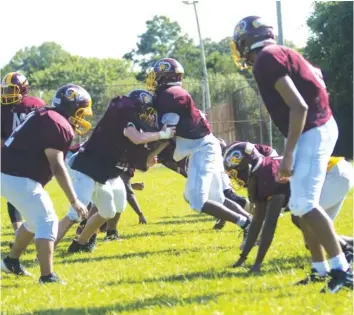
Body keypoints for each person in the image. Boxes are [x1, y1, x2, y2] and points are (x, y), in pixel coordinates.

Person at [231, 15, 351, 293]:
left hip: (312, 129)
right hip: (318, 127)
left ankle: (342, 270)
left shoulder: (265, 59)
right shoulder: (281, 52)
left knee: (304, 204)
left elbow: (299, 106)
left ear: (247, 41)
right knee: (299, 204)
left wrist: (288, 153)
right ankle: (320, 269)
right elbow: (316, 81)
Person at [147, 58, 252, 246]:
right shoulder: (172, 93)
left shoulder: (169, 95)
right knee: (216, 198)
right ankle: (252, 224)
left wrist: (148, 154)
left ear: (163, 76)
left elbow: (168, 133)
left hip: (203, 149)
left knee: (196, 199)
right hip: (205, 146)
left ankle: (247, 224)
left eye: (156, 75)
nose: (153, 79)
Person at [55, 89, 175, 253]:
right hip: (85, 167)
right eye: (147, 111)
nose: (149, 116)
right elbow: (136, 137)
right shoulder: (126, 118)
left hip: (103, 174)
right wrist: (161, 134)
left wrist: (163, 142)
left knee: (108, 211)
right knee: (75, 214)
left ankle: (79, 244)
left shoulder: (136, 128)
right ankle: (45, 250)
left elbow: (144, 164)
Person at [1, 84, 92, 283]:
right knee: (48, 220)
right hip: (17, 175)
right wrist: (74, 200)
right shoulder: (57, 123)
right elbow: (57, 165)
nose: (83, 117)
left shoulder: (47, 115)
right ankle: (47, 276)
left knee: (35, 221)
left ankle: (11, 261)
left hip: (10, 173)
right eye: (81, 111)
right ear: (71, 107)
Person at [227, 143, 353, 280]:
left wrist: (257, 263)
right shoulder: (260, 173)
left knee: (302, 215)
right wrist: (243, 257)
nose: (235, 178)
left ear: (247, 164)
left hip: (333, 173)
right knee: (313, 236)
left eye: (235, 172)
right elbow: (257, 221)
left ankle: (345, 252)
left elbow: (270, 224)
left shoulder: (267, 174)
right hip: (337, 173)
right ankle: (348, 248)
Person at [1, 72, 46, 235]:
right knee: (13, 195)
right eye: (4, 90)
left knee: (34, 192)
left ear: (23, 89)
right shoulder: (3, 108)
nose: (6, 94)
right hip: (12, 156)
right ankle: (19, 231)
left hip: (34, 156)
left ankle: (31, 227)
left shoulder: (36, 105)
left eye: (10, 90)